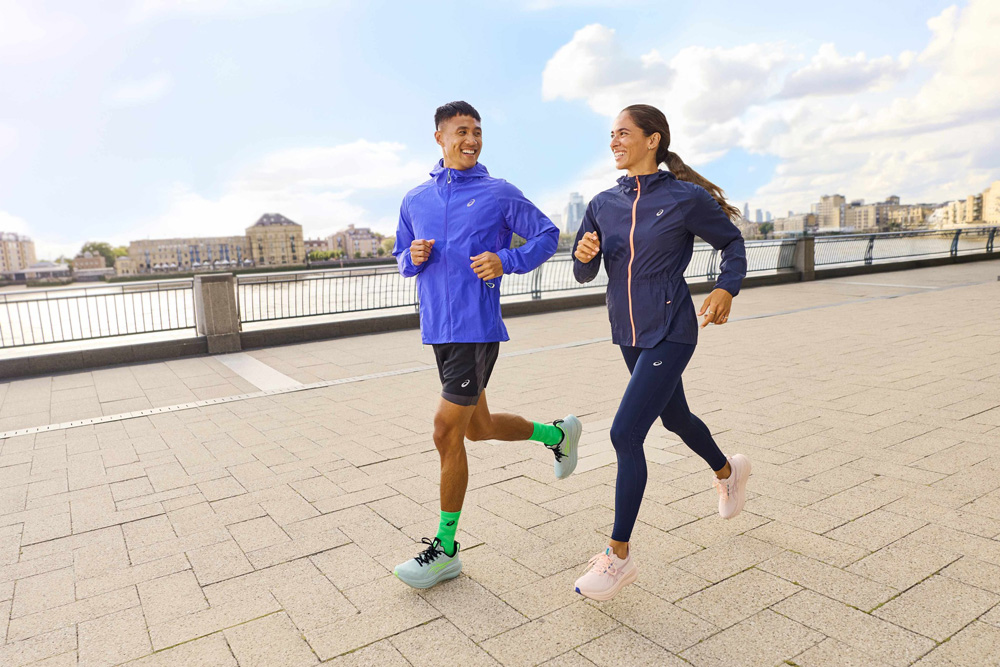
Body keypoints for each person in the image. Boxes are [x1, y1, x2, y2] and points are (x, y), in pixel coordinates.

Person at [392, 101, 582, 589]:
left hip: (475, 330)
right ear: (439, 137)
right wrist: (411, 257)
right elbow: (401, 257)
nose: (471, 139)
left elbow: (546, 235)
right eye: (461, 131)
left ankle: (445, 549)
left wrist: (505, 259)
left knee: (444, 432)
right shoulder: (415, 199)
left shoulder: (498, 192)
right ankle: (558, 435)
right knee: (478, 428)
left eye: (477, 131)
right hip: (437, 330)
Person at [571, 104, 751, 601]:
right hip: (629, 332)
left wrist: (726, 287)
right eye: (611, 134)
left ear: (652, 140)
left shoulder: (684, 197)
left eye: (623, 133)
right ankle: (728, 471)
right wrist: (583, 256)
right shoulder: (603, 203)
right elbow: (584, 272)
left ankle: (618, 557)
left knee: (625, 432)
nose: (614, 141)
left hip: (673, 329)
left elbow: (732, 244)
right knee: (675, 418)